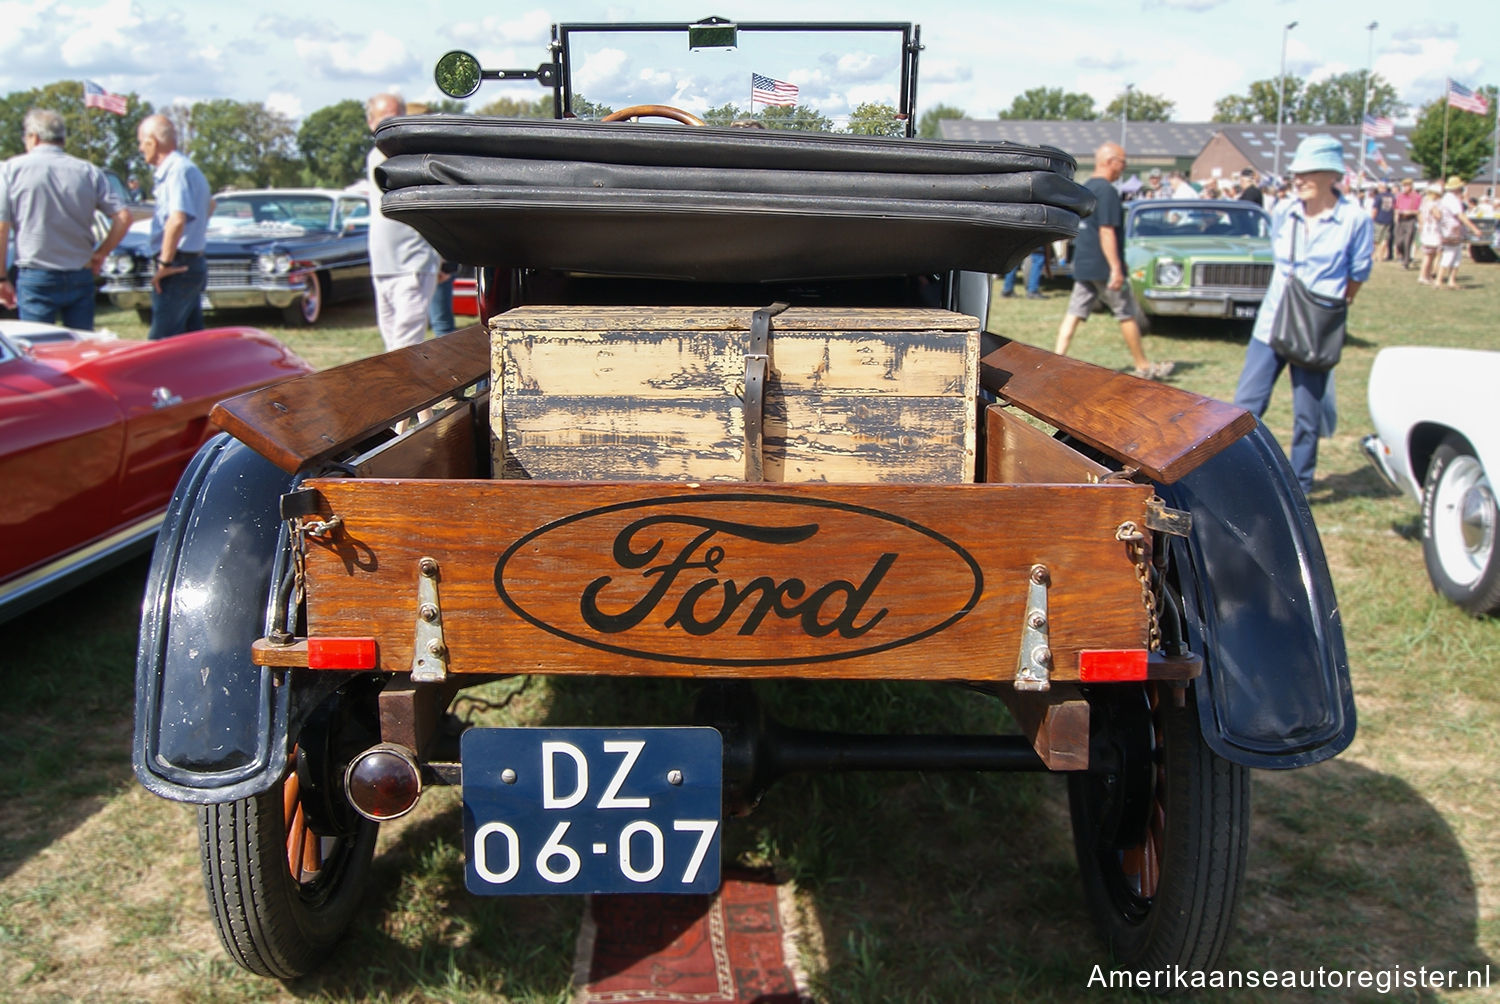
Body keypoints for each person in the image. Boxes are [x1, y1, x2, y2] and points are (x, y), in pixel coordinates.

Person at [1232, 135, 1372, 496]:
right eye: (1297, 172)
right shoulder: (1285, 212)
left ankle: (1301, 486)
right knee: (1246, 405)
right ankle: (1243, 477)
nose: (1300, 178)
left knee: (1308, 416)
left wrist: (1325, 311)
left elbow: (1357, 275)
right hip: (1272, 322)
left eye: (1308, 172)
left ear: (1332, 175)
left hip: (1314, 327)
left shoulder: (1354, 219)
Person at [0, 108, 132, 328]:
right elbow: (123, 217)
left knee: (40, 350)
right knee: (80, 346)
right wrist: (101, 253)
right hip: (80, 271)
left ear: (33, 137)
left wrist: (2, 277)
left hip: (36, 272)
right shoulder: (88, 171)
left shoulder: (11, 170)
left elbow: (2, 226)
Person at [1054, 142, 1172, 380]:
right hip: (1103, 266)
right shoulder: (1107, 191)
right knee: (1125, 312)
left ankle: (1055, 359)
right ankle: (1144, 366)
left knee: (1074, 312)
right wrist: (1116, 268)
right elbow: (1106, 231)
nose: (1124, 168)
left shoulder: (1085, 188)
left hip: (1084, 262)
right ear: (1110, 161)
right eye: (1123, 162)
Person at [365, 93, 440, 352]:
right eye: (386, 118)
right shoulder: (374, 156)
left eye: (398, 116)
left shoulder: (412, 155)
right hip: (382, 265)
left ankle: (403, 393)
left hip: (413, 264)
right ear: (371, 122)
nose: (392, 124)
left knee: (404, 348)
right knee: (392, 348)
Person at [136, 113, 211, 339]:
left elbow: (176, 219)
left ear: (152, 142)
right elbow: (211, 204)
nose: (140, 149)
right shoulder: (188, 168)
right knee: (190, 344)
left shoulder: (176, 171)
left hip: (177, 265)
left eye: (141, 142)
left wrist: (164, 264)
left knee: (160, 346)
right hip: (190, 260)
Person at [1436, 175, 1481, 289]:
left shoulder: (1447, 198)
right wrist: (1474, 228)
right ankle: (1439, 280)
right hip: (1451, 230)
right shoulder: (1452, 200)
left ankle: (1451, 280)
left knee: (1456, 255)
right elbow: (1460, 215)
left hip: (1451, 229)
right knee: (1450, 254)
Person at [1417, 182, 1443, 284]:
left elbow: (1420, 215)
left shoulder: (1424, 203)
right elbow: (1438, 216)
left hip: (1427, 230)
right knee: (1429, 256)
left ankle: (1427, 275)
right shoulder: (1432, 204)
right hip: (1432, 231)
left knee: (1430, 255)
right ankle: (1423, 276)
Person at [1393, 177, 1421, 269]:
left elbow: (1419, 211)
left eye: (1407, 186)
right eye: (1404, 186)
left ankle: (1406, 263)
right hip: (1401, 220)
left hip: (1411, 219)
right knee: (1398, 242)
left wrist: (1411, 212)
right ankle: (1405, 256)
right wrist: (1396, 215)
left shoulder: (1416, 197)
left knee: (1407, 241)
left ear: (1411, 186)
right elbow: (1396, 207)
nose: (1405, 188)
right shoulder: (1400, 196)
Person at [1371, 181, 1396, 261]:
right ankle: (1381, 257)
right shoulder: (1392, 197)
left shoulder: (1378, 197)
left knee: (1375, 239)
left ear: (1381, 187)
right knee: (1385, 239)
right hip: (1389, 220)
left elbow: (1375, 209)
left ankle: (1373, 256)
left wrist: (1372, 218)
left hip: (1379, 219)